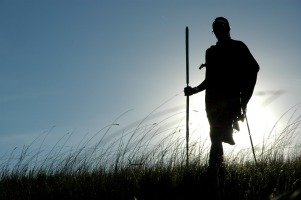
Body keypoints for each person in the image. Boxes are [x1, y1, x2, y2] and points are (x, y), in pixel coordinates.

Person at [184, 17, 259, 196]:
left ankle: (213, 177)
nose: (219, 30)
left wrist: (244, 99)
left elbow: (253, 69)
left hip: (230, 99)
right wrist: (193, 90)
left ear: (228, 28)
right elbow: (209, 80)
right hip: (212, 102)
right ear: (214, 31)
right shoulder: (211, 52)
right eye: (216, 28)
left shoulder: (238, 46)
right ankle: (219, 177)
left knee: (216, 136)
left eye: (221, 27)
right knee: (215, 136)